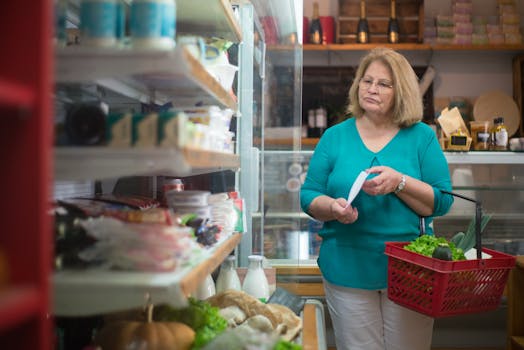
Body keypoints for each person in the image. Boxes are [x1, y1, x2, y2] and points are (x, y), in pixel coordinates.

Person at [300, 47, 454, 350]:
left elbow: (442, 201)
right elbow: (308, 196)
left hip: (410, 271)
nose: (371, 89)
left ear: (402, 92)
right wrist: (332, 207)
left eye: (384, 84)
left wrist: (400, 182)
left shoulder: (422, 137)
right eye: (366, 80)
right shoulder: (334, 137)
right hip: (347, 267)